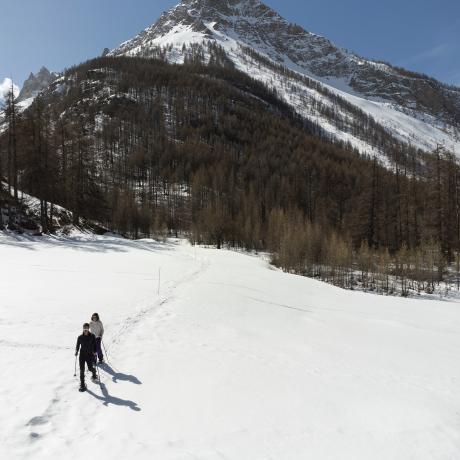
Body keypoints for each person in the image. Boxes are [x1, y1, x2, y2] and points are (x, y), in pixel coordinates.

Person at [75, 323, 97, 392]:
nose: (85, 329)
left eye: (86, 328)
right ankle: (82, 384)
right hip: (82, 355)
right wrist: (76, 351)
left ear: (88, 328)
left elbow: (95, 345)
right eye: (84, 328)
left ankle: (94, 373)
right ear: (83, 328)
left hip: (89, 355)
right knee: (82, 370)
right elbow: (77, 345)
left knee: (90, 368)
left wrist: (95, 351)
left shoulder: (92, 336)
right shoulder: (80, 337)